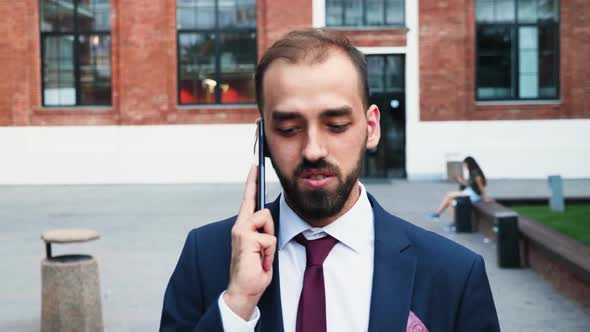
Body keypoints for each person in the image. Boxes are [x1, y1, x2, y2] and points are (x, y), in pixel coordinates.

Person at [160, 29, 500, 332]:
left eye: (336, 125)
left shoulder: (453, 274)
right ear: (262, 138)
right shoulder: (205, 257)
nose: (313, 150)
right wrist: (236, 307)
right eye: (289, 129)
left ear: (371, 128)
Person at [428, 156, 491, 228]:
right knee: (451, 201)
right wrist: (461, 181)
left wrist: (485, 198)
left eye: (465, 164)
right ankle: (451, 222)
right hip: (470, 192)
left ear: (469, 164)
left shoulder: (476, 173)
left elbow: (481, 187)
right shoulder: (473, 172)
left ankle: (437, 214)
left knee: (449, 195)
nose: (464, 166)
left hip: (474, 195)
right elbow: (470, 184)